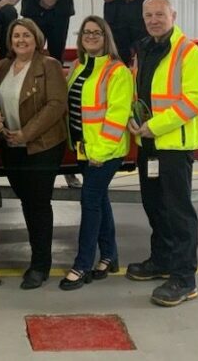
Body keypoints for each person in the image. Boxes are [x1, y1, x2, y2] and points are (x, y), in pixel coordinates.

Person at [127, 0, 198, 307]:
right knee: (154, 205)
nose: (153, 20)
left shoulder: (190, 53)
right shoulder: (144, 49)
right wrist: (136, 124)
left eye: (159, 14)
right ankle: (161, 260)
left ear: (172, 14)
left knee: (179, 212)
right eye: (148, 15)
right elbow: (142, 94)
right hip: (147, 143)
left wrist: (154, 126)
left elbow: (194, 102)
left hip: (174, 144)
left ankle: (184, 279)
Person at [59, 15, 133, 291]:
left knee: (89, 202)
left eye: (97, 33)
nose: (91, 36)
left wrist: (99, 152)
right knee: (100, 200)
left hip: (105, 152)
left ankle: (82, 264)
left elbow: (117, 117)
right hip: (84, 149)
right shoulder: (78, 66)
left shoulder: (117, 71)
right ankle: (110, 256)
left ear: (106, 38)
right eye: (86, 32)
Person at [0, 19, 67, 290]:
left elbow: (56, 104)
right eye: (16, 36)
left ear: (37, 39)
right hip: (11, 145)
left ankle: (40, 265)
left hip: (41, 146)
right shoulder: (3, 67)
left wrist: (27, 133)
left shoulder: (50, 66)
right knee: (26, 201)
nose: (21, 40)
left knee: (37, 203)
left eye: (26, 35)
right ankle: (38, 257)